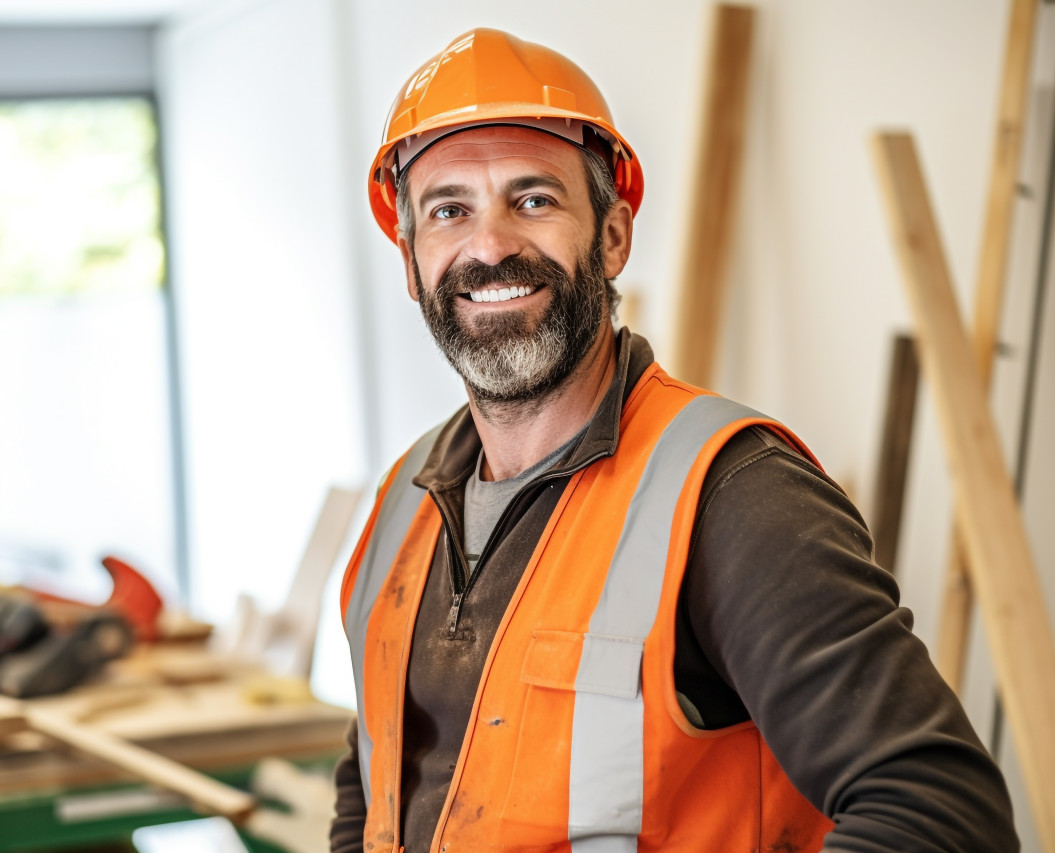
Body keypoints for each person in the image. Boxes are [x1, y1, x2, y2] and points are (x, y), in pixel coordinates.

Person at [333, 28, 1017, 853]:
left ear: (614, 236)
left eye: (535, 199)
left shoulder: (733, 494)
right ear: (410, 262)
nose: (490, 244)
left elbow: (943, 812)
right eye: (449, 211)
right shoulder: (402, 503)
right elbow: (369, 787)